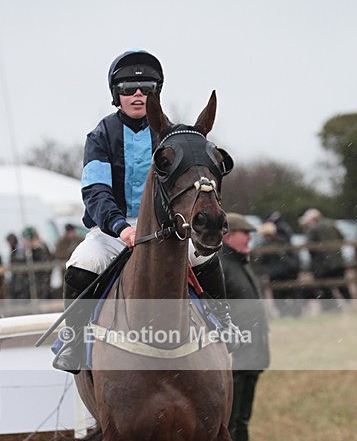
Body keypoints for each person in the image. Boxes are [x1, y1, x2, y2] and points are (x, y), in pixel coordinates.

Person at [57, 48, 241, 372]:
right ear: (117, 95)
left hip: (164, 225)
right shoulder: (100, 136)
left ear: (156, 94)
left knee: (205, 257)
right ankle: (72, 340)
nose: (138, 94)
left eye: (147, 88)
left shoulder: (173, 135)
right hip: (114, 229)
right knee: (82, 263)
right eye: (129, 88)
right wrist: (120, 227)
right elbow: (95, 191)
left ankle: (223, 323)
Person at [220, 213, 273, 441]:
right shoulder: (221, 265)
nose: (249, 238)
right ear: (229, 236)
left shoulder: (242, 264)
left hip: (253, 357)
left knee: (241, 420)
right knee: (231, 422)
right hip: (236, 359)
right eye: (245, 233)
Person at [298, 208, 351, 308]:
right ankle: (352, 305)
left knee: (324, 287)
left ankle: (332, 308)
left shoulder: (313, 228)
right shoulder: (332, 224)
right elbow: (342, 238)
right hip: (337, 262)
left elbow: (310, 246)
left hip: (323, 264)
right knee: (342, 286)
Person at [253, 211, 303, 317]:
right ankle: (292, 313)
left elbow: (260, 261)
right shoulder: (283, 240)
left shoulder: (266, 245)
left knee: (282, 295)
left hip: (278, 273)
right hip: (285, 272)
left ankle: (287, 313)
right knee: (289, 294)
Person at [22, 226, 53, 299]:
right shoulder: (27, 250)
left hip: (42, 283)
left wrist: (36, 249)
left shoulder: (41, 248)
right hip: (33, 284)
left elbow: (45, 266)